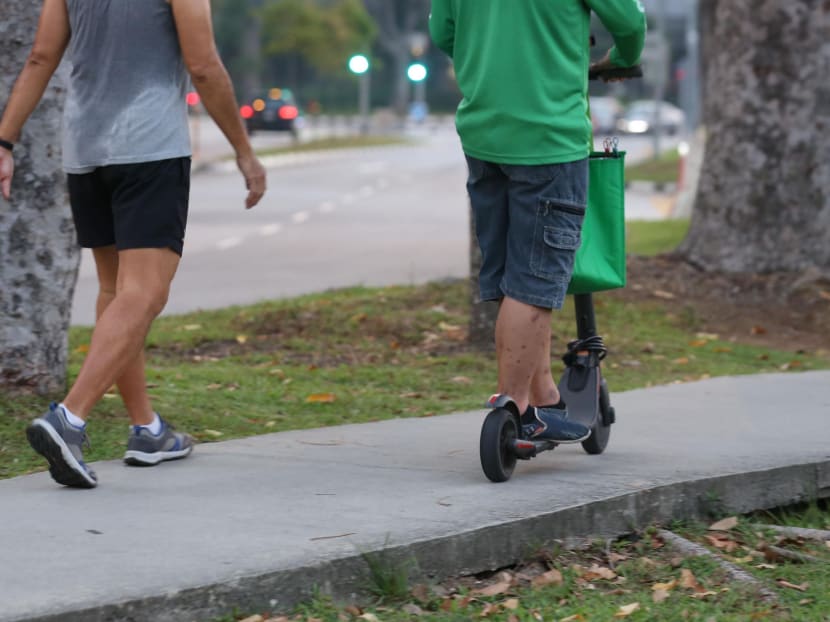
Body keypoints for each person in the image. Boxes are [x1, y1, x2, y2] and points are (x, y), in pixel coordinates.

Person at [0, 0, 267, 488]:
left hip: (85, 150)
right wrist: (244, 151)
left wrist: (5, 141)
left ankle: (147, 430)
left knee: (117, 291)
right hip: (148, 148)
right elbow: (204, 66)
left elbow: (41, 57)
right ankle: (69, 419)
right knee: (145, 293)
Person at [429, 0, 646, 443]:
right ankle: (516, 409)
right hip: (549, 138)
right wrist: (620, 60)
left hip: (484, 134)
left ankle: (544, 394)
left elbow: (443, 34)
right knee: (536, 281)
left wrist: (493, 58)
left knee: (513, 274)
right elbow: (629, 22)